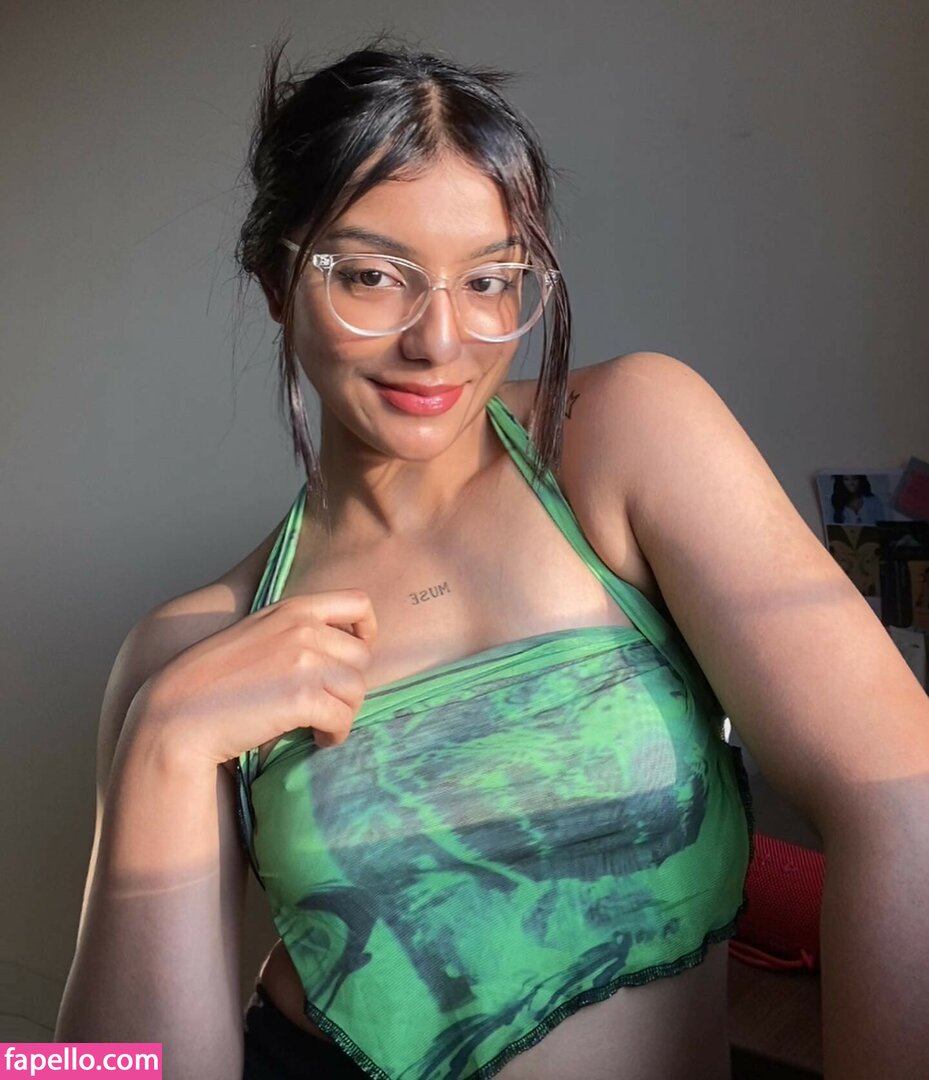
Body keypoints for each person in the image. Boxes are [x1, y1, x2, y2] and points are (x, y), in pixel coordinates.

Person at [56, 39, 929, 1080]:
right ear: (276, 282)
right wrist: (158, 746)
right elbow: (92, 1071)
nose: (440, 340)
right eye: (371, 276)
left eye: (488, 280)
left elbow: (900, 793)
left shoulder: (624, 439)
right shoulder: (190, 645)